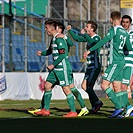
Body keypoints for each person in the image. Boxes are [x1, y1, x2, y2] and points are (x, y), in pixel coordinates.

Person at [28, 21, 89, 117]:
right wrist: (42, 53)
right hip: (56, 69)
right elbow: (49, 51)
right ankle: (45, 110)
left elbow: (63, 55)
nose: (45, 29)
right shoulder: (53, 39)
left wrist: (53, 64)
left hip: (62, 68)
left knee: (67, 89)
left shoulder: (59, 39)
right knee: (47, 86)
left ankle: (73, 111)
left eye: (46, 27)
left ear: (52, 28)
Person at [84, 11, 132, 118]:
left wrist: (89, 50)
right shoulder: (125, 32)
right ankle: (127, 107)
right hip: (121, 61)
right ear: (120, 19)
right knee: (117, 87)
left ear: (111, 20)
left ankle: (119, 107)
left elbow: (104, 41)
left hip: (115, 62)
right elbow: (129, 47)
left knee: (104, 85)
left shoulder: (113, 30)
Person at [66, 20, 103, 114]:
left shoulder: (97, 38)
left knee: (88, 87)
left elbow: (93, 43)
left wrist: (85, 35)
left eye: (87, 26)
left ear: (92, 29)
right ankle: (95, 104)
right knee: (84, 86)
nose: (85, 28)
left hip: (95, 66)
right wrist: (70, 31)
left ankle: (97, 103)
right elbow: (78, 39)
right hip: (90, 66)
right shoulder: (88, 37)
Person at [120, 15, 133, 117]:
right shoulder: (119, 33)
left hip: (128, 63)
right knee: (120, 87)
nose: (125, 24)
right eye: (123, 22)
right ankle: (127, 107)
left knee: (125, 86)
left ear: (130, 23)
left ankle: (128, 107)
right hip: (120, 63)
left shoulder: (132, 34)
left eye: (127, 22)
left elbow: (129, 47)